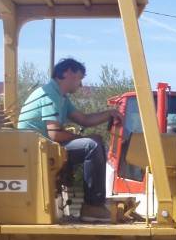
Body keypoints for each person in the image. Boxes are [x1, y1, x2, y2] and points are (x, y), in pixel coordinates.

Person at [18, 58, 122, 223]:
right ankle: (93, 206)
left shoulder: (61, 97)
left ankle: (93, 205)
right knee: (92, 146)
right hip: (35, 150)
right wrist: (85, 138)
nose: (80, 85)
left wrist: (110, 113)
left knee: (94, 142)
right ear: (68, 73)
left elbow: (85, 119)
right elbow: (54, 134)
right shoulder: (49, 94)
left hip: (45, 147)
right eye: (80, 79)